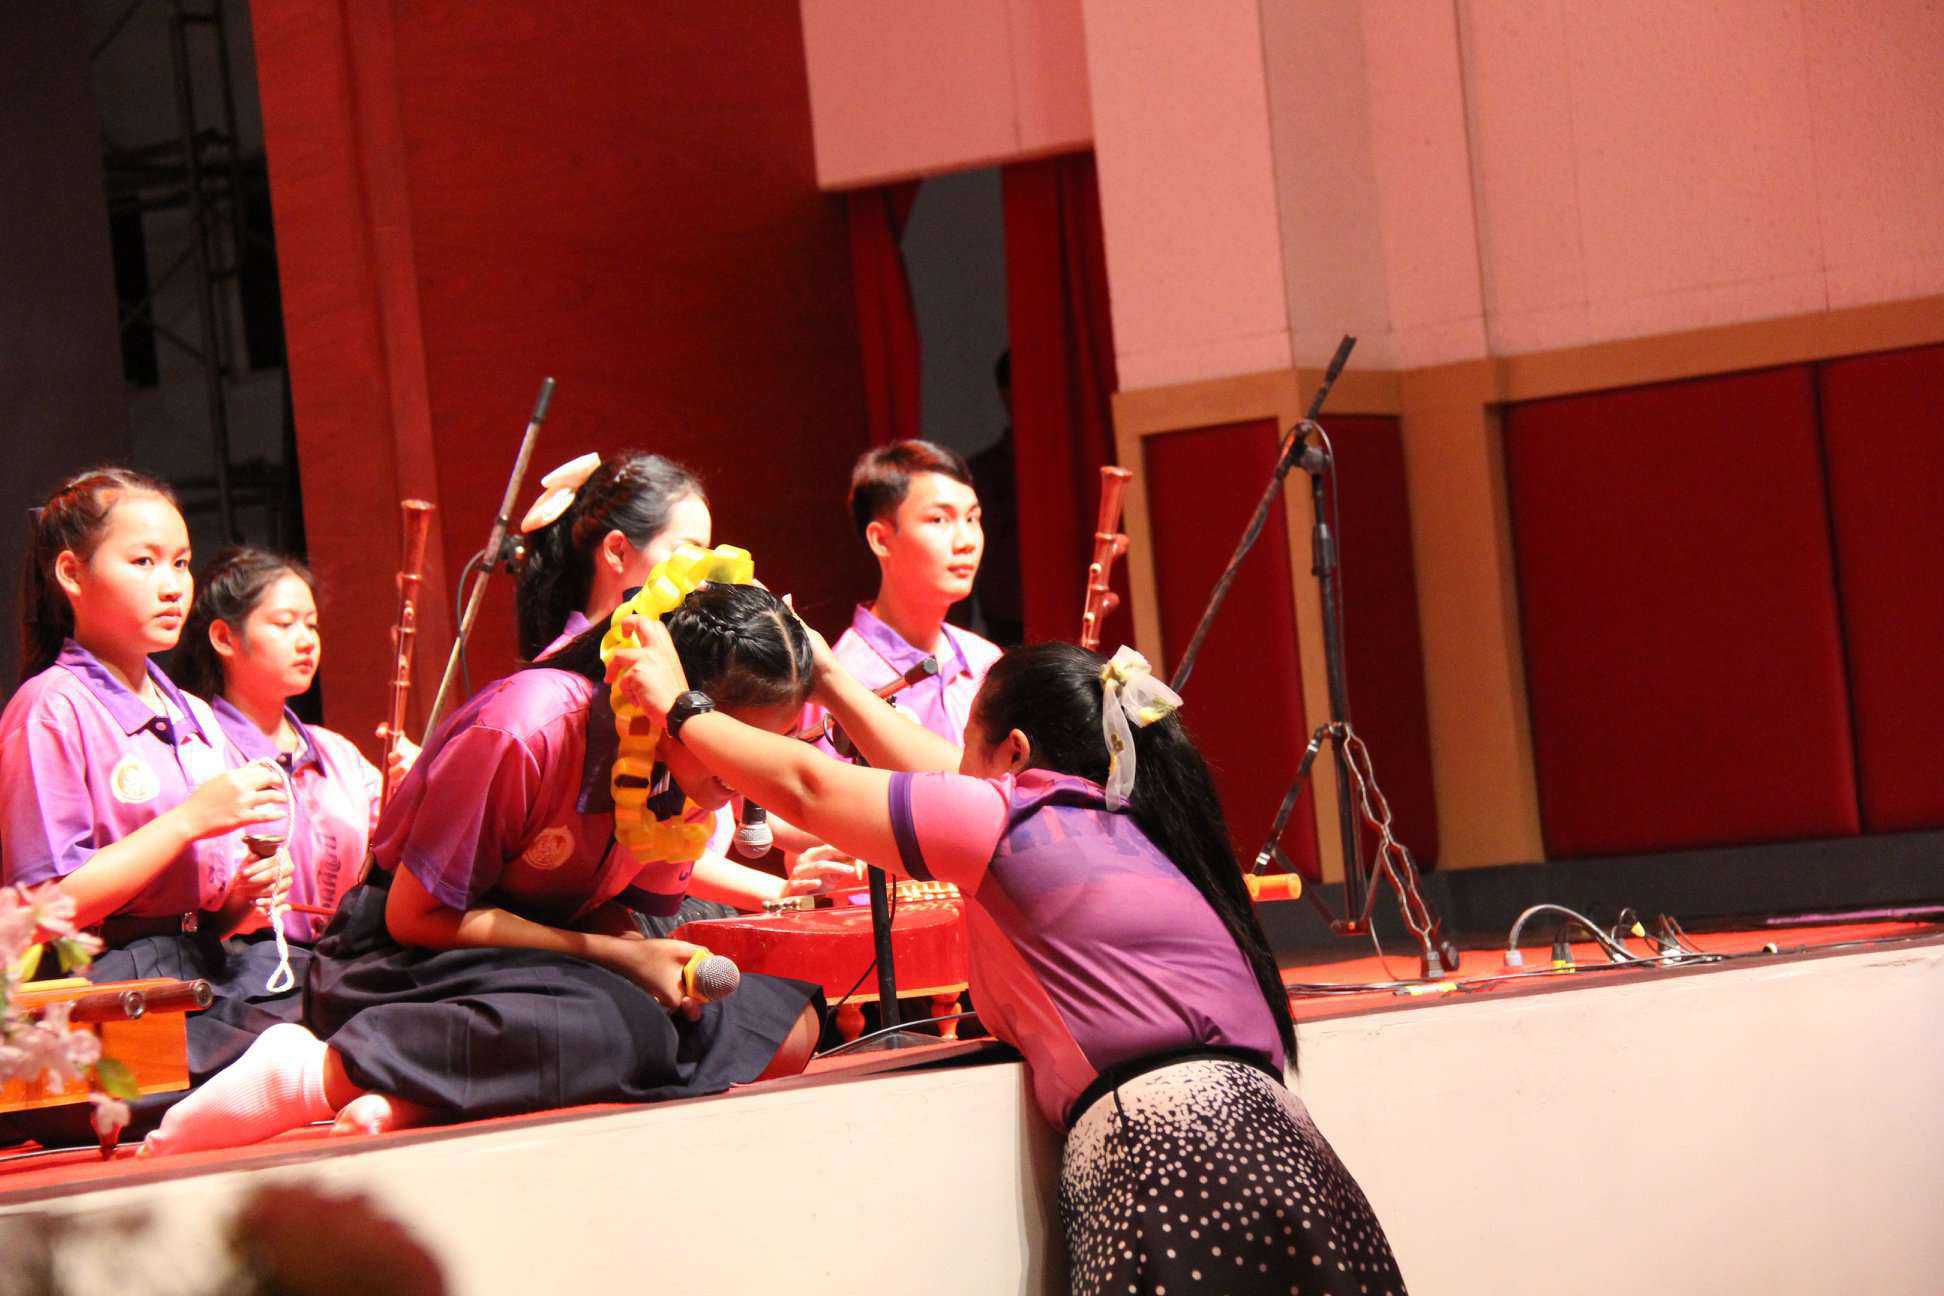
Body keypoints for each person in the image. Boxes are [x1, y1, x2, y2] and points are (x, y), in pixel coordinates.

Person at [606, 624, 1409, 1296]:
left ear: (1016, 753)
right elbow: (939, 775)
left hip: (1169, 1165)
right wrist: (833, 682)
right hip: (1295, 1153)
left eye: (969, 748)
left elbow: (811, 787)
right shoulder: (1142, 821)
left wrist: (681, 706)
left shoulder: (1014, 821)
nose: (952, 770)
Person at [139, 581, 824, 1155]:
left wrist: (644, 959)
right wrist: (618, 957)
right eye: (735, 738)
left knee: (788, 1029)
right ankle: (318, 1073)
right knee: (616, 1022)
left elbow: (615, 911)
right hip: (411, 959)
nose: (747, 767)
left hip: (553, 968)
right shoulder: (528, 724)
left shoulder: (688, 777)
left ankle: (416, 1096)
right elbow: (416, 916)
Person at [1, 468, 294, 1143]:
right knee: (303, 1036)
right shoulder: (49, 708)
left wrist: (243, 893)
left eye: (181, 563)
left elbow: (209, 912)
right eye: (144, 562)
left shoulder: (193, 714)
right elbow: (42, 911)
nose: (172, 585)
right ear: (71, 574)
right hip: (110, 988)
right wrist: (189, 820)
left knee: (352, 991)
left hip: (199, 965)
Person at [513, 449, 788, 931]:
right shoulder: (563, 693)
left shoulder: (678, 665)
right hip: (625, 916)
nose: (706, 573)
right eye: (690, 551)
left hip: (673, 902)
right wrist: (780, 892)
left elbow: (733, 797)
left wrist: (838, 846)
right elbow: (627, 845)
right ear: (617, 551)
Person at [173, 546, 401, 987]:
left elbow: (389, 855)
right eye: (284, 624)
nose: (306, 640)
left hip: (342, 959)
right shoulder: (198, 750)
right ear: (224, 638)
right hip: (242, 970)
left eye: (311, 624)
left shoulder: (337, 753)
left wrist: (415, 790)